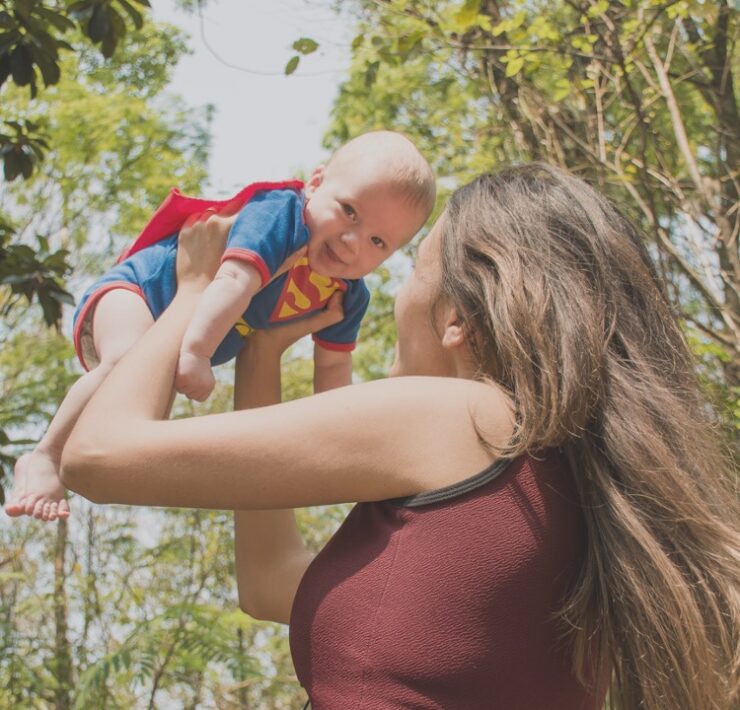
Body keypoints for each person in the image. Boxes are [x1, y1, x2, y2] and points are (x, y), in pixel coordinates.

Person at [60, 164, 738, 709]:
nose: (388, 290)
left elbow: (99, 456)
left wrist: (192, 291)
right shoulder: (571, 493)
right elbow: (268, 584)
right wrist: (262, 352)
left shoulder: (465, 417)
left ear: (456, 320)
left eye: (412, 268)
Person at [5, 130, 435, 522]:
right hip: (139, 292)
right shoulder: (281, 216)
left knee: (140, 420)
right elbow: (233, 280)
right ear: (316, 183)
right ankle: (45, 455)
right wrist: (197, 353)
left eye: (378, 241)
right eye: (349, 212)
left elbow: (334, 373)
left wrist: (345, 445)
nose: (352, 242)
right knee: (124, 360)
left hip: (176, 335)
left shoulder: (347, 295)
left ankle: (78, 463)